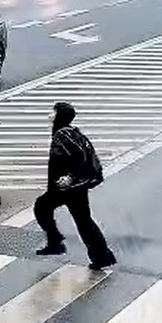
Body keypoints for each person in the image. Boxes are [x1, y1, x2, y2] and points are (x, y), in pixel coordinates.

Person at [34, 102, 116, 271]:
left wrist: (69, 177)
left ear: (59, 116)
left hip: (67, 188)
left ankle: (55, 241)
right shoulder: (69, 132)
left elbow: (79, 157)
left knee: (41, 207)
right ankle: (102, 256)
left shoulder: (63, 134)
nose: (50, 115)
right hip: (75, 187)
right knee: (83, 221)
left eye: (54, 112)